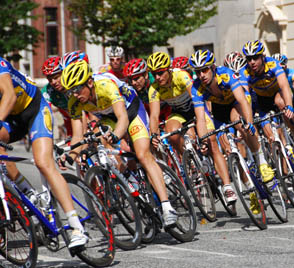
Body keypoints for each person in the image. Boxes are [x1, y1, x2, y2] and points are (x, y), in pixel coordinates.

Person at [60, 60, 178, 226]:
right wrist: (71, 156)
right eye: (71, 91)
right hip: (108, 117)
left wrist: (116, 136)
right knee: (99, 140)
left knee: (142, 154)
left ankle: (167, 207)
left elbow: (123, 118)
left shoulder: (106, 85)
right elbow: (78, 136)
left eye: (77, 88)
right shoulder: (75, 102)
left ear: (89, 82)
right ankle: (128, 181)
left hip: (130, 110)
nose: (75, 94)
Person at [0, 56, 88, 248]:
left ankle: (76, 228)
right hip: (11, 119)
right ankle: (29, 193)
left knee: (43, 163)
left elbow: (9, 96)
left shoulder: (0, 65)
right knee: (2, 158)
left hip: (34, 110)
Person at [189, 49, 273, 204]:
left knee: (241, 124)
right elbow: (200, 118)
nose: (202, 75)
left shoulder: (226, 74)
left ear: (213, 68)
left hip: (236, 102)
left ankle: (262, 162)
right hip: (219, 110)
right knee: (228, 149)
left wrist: (249, 122)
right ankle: (244, 188)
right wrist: (203, 140)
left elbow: (242, 100)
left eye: (205, 70)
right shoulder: (197, 87)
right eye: (198, 72)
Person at [239, 40, 294, 150]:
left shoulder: (273, 64)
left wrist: (289, 106)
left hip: (277, 94)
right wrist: (248, 120)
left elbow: (284, 85)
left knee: (281, 103)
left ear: (263, 57)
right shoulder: (244, 72)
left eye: (255, 57)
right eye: (249, 59)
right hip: (262, 100)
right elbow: (246, 97)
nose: (252, 62)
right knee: (272, 139)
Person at [147, 52, 195, 156]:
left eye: (160, 73)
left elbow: (196, 98)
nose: (157, 77)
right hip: (179, 113)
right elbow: (154, 115)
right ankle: (188, 158)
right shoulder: (154, 88)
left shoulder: (181, 75)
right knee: (171, 135)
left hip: (195, 108)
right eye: (154, 74)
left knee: (203, 138)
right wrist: (154, 134)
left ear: (169, 69)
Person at [41, 56, 72, 137]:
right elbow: (43, 111)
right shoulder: (47, 91)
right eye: (50, 80)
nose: (53, 82)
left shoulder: (74, 84)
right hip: (69, 119)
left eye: (56, 77)